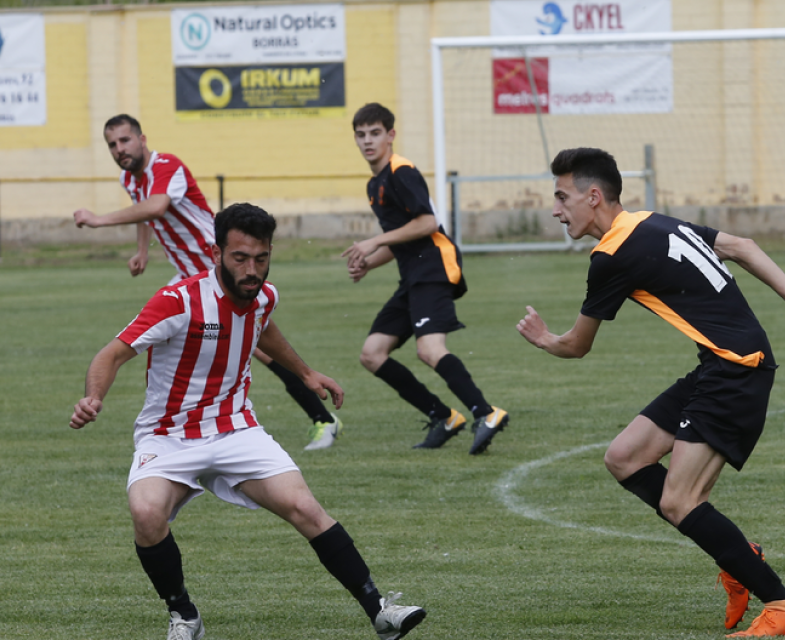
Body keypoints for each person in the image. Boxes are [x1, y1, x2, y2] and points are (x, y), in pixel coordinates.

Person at [69, 203, 427, 640]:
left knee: (305, 508)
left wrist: (306, 373)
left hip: (236, 428)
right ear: (217, 252)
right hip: (169, 436)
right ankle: (184, 615)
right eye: (240, 258)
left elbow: (264, 325)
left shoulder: (263, 295)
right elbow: (113, 353)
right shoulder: (177, 301)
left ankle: (380, 611)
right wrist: (93, 397)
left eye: (261, 259)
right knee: (145, 513)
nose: (251, 270)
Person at [516, 147, 785, 637]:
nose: (555, 209)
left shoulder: (610, 256)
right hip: (719, 365)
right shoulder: (652, 221)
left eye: (562, 197)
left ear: (593, 196)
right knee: (624, 457)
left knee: (679, 502)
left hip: (736, 370)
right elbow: (743, 245)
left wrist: (544, 340)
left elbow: (577, 346)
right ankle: (739, 559)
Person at [74, 114, 343, 450]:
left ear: (142, 139)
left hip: (220, 268)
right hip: (190, 276)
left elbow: (156, 206)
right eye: (112, 144)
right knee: (164, 340)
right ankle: (185, 418)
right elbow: (144, 210)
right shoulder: (131, 178)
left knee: (258, 346)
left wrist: (99, 220)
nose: (119, 149)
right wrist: (142, 250)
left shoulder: (167, 166)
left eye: (125, 140)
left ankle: (322, 419)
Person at [342, 103, 508, 454]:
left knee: (429, 349)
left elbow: (427, 223)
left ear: (391, 135)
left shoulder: (401, 171)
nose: (367, 141)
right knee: (372, 353)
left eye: (375, 133)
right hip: (412, 274)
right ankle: (443, 416)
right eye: (361, 135)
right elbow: (403, 237)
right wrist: (370, 264)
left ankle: (486, 413)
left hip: (433, 267)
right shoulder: (376, 184)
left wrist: (373, 241)